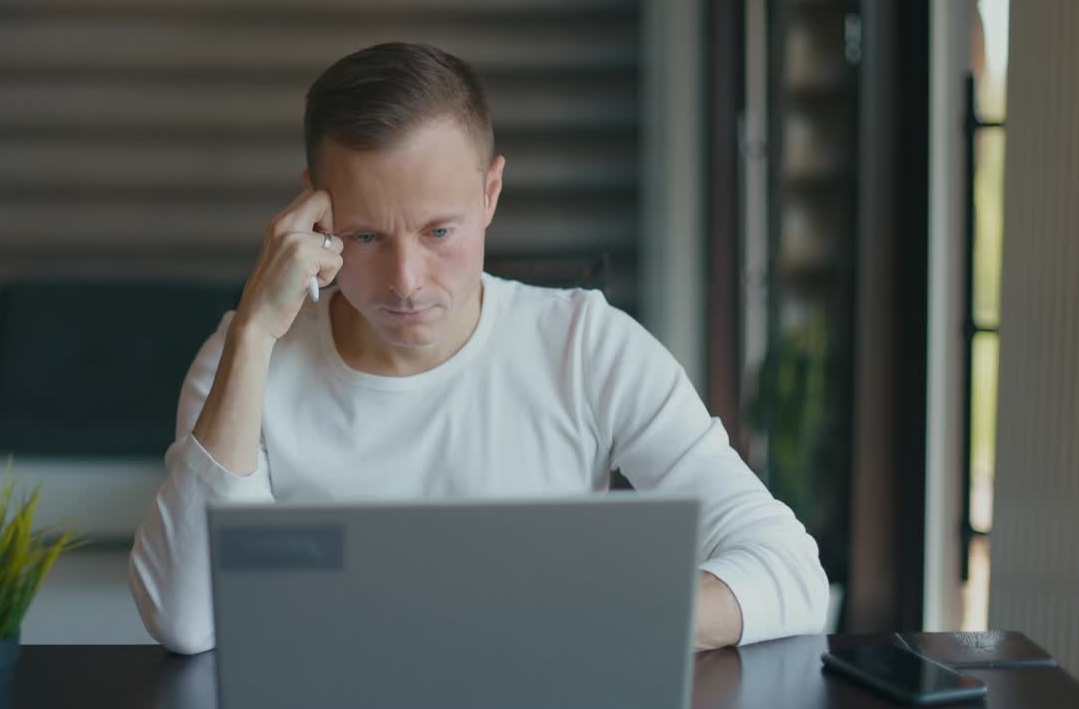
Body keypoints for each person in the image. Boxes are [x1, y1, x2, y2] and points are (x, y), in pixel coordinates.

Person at [129, 42, 828, 656]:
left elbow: (791, 572)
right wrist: (252, 334)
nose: (406, 283)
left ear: (490, 193)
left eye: (439, 232)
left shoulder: (586, 346)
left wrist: (598, 620)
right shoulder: (243, 361)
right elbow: (188, 621)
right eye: (366, 236)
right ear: (312, 212)